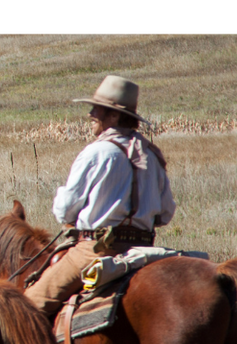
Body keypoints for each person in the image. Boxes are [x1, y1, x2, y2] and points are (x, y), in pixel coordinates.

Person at [24, 75, 175, 316]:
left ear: (113, 116)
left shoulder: (97, 152)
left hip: (94, 250)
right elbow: (166, 213)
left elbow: (64, 210)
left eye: (97, 109)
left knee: (26, 307)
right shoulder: (152, 154)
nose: (90, 113)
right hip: (144, 248)